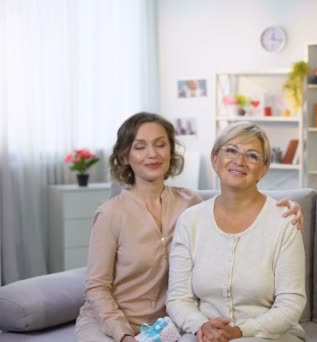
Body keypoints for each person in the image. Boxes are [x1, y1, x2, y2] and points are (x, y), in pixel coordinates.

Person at [75, 113, 304, 342]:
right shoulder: (112, 213)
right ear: (125, 155)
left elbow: (237, 197)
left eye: (160, 145)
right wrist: (124, 335)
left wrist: (288, 208)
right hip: (117, 322)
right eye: (140, 147)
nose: (152, 154)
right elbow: (96, 287)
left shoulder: (189, 204)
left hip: (167, 324)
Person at [166, 121, 306, 342]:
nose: (239, 161)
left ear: (264, 168)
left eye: (252, 155)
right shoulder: (190, 221)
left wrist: (240, 332)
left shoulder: (284, 221)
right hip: (204, 333)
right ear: (215, 159)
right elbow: (178, 298)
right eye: (231, 150)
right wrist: (202, 325)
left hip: (269, 335)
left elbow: (291, 304)